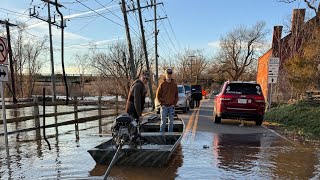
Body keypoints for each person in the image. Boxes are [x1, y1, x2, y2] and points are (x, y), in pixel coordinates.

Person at [156, 68, 178, 132]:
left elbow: (176, 96)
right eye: (168, 74)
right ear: (165, 74)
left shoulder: (174, 85)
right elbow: (157, 95)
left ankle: (170, 137)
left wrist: (174, 104)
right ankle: (161, 137)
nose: (169, 75)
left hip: (171, 106)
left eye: (170, 74)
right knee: (163, 122)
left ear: (171, 75)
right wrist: (161, 104)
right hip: (164, 106)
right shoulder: (162, 84)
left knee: (171, 122)